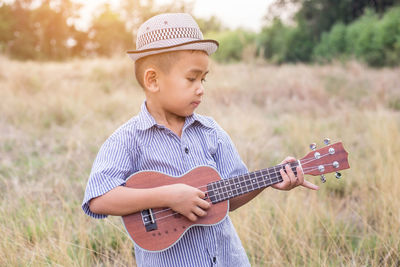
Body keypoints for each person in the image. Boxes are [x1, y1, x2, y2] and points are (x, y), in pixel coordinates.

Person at [82, 13, 319, 267]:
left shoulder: (211, 132)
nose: (201, 88)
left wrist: (270, 180)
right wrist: (167, 196)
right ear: (153, 80)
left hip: (227, 260)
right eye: (191, 78)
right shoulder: (128, 139)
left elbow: (229, 197)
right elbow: (98, 199)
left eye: (203, 79)